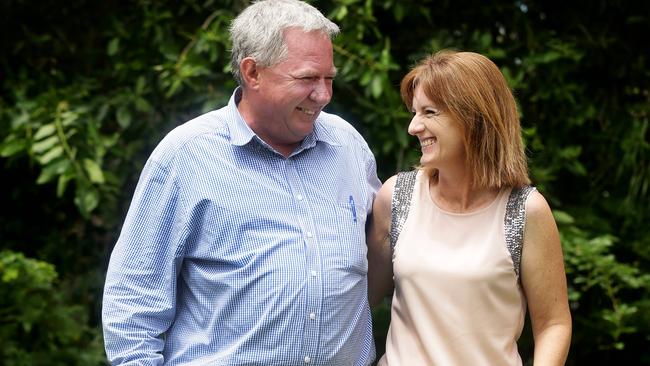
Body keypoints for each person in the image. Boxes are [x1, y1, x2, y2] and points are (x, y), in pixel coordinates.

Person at [102, 0, 381, 364]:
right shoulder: (187, 154)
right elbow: (133, 304)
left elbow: (392, 257)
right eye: (307, 78)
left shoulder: (347, 146)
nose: (323, 95)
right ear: (253, 73)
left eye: (329, 78)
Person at [367, 50, 572, 365]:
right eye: (414, 112)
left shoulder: (525, 211)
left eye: (429, 112)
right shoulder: (396, 197)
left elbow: (553, 325)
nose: (413, 127)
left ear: (473, 118)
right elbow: (358, 300)